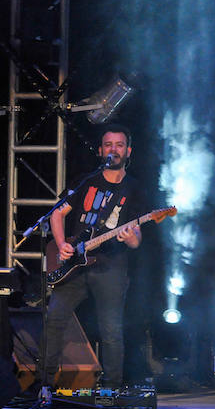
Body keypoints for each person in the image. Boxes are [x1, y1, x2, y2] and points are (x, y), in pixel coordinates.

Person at [43, 123, 144, 391]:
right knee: (54, 319)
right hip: (74, 264)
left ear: (128, 151)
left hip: (111, 266)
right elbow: (57, 213)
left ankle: (111, 389)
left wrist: (130, 237)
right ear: (100, 150)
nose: (114, 149)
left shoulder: (133, 188)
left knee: (110, 329)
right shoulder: (86, 181)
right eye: (109, 145)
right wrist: (62, 243)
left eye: (119, 145)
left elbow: (136, 238)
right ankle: (43, 386)